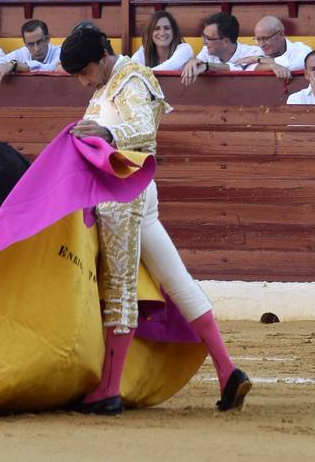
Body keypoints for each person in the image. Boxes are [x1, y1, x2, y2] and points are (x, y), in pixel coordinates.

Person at [60, 22, 251, 415]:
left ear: (101, 58)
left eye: (84, 72)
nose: (83, 82)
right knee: (178, 282)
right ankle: (228, 370)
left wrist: (108, 136)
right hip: (130, 192)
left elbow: (144, 128)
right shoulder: (104, 88)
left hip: (125, 193)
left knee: (120, 287)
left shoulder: (133, 76)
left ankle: (109, 389)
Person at [181, 11, 256, 84]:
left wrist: (209, 66)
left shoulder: (252, 52)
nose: (204, 42)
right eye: (203, 36)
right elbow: (198, 64)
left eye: (208, 38)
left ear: (225, 42)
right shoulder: (206, 50)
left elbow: (242, 70)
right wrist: (192, 62)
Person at [0, 19, 61, 86]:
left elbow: (51, 69)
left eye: (39, 42)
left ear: (48, 39)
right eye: (30, 44)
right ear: (25, 44)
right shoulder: (22, 52)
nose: (36, 48)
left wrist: (15, 65)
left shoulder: (60, 52)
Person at [239, 15, 312, 78]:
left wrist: (259, 60)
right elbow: (246, 67)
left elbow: (294, 65)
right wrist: (272, 66)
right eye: (258, 39)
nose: (262, 44)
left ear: (281, 34)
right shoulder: (256, 51)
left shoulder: (300, 49)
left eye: (265, 39)